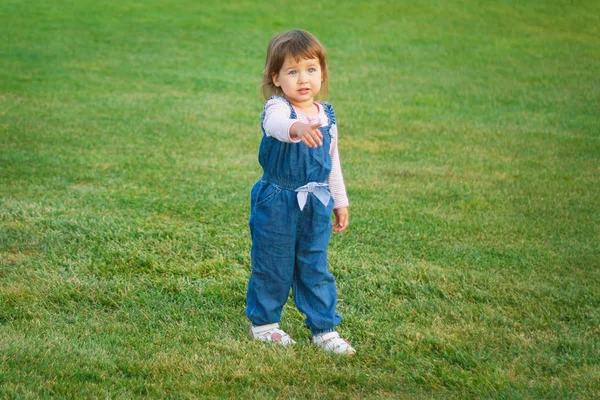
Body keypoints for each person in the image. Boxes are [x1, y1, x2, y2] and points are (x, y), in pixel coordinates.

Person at [245, 29, 355, 355]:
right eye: (292, 72)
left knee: (314, 264)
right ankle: (265, 325)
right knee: (274, 263)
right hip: (278, 199)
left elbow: (331, 163)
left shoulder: (327, 116)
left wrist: (340, 201)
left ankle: (324, 329)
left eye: (310, 69)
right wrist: (298, 128)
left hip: (317, 201)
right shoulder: (278, 109)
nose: (302, 78)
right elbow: (276, 127)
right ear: (277, 78)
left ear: (321, 72)